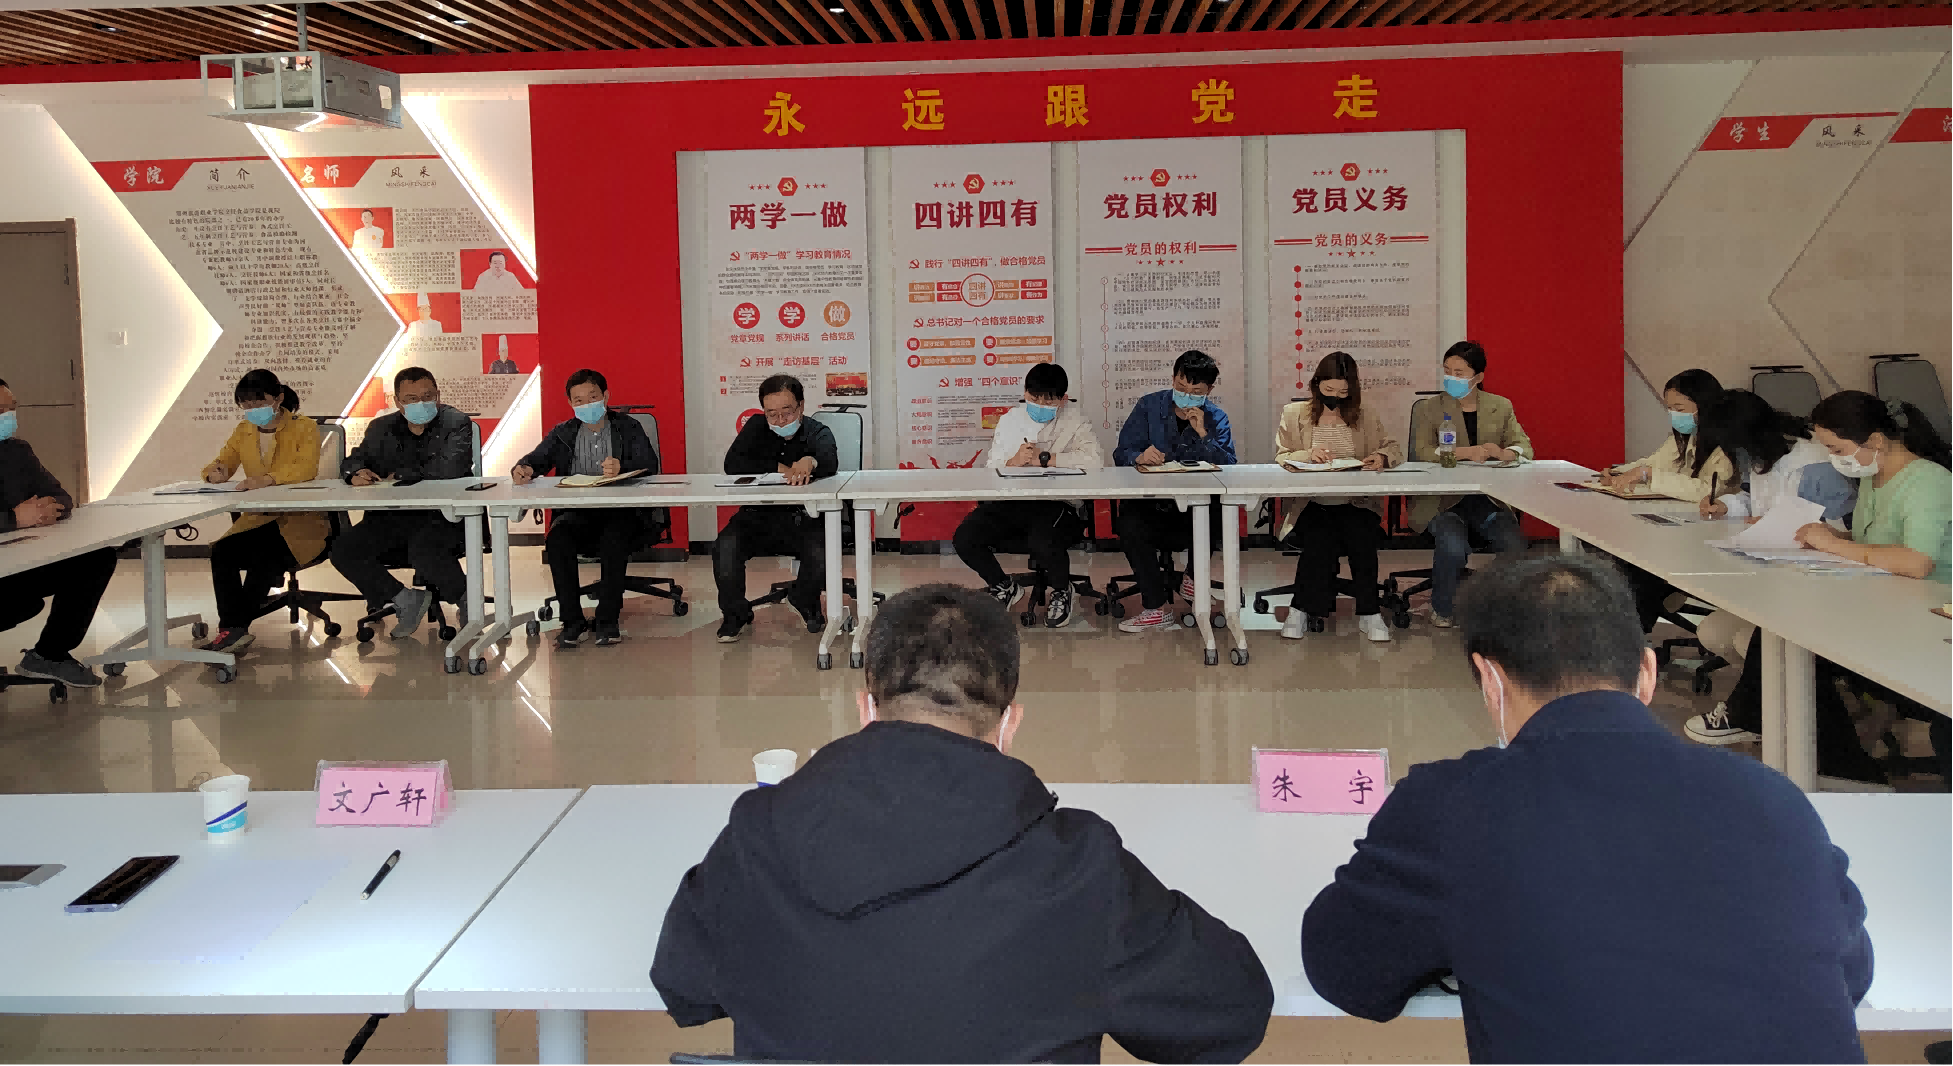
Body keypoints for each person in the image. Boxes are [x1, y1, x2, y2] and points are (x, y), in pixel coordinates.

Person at [651, 584, 1273, 1064]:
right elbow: (1230, 1010)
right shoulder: (1079, 869)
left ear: (866, 708)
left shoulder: (757, 834)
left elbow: (684, 982)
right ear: (1009, 724)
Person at [1301, 554, 1873, 1064]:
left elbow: (1345, 970)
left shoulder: (1454, 804)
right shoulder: (1771, 796)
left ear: (1490, 679)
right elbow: (1851, 972)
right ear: (1646, 672)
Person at [1687, 392, 1950, 781]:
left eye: (1836, 449)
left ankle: (1840, 767)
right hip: (1882, 600)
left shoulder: (1928, 481)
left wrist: (1838, 545)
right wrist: (1830, 536)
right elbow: (1873, 542)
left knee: (1797, 647)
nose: (1832, 458)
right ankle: (1834, 761)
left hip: (1925, 615)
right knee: (1784, 635)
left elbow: (1916, 561)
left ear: (1875, 441)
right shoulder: (1877, 477)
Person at [1622, 387, 1851, 633]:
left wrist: (1780, 524)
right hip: (1765, 565)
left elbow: (1841, 529)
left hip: (1808, 581)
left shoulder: (1815, 465)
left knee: (1725, 633)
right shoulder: (1762, 454)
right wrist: (1726, 505)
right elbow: (1750, 496)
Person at [512, 369, 659, 648]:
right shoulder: (563, 433)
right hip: (577, 513)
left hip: (621, 511)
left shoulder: (628, 427)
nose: (587, 405)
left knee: (614, 538)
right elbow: (537, 459)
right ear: (570, 403)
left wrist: (623, 467)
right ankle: (572, 622)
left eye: (593, 397)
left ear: (606, 396)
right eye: (579, 400)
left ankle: (607, 620)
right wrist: (524, 468)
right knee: (558, 539)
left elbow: (650, 465)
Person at [329, 367, 477, 638]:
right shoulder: (381, 428)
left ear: (438, 395)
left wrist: (401, 474)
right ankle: (405, 599)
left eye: (427, 396)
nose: (421, 403)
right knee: (342, 549)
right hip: (392, 517)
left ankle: (467, 599)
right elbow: (353, 460)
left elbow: (450, 468)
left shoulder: (455, 422)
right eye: (411, 399)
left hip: (443, 515)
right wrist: (355, 473)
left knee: (423, 548)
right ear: (397, 402)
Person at [953, 362, 1103, 628]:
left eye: (1049, 400)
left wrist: (1046, 459)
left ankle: (1061, 589)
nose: (1041, 405)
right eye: (1035, 398)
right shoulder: (1010, 419)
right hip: (1012, 501)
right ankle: (1003, 585)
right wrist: (1013, 462)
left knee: (1043, 537)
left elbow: (1095, 461)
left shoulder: (1076, 420)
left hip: (1058, 503)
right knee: (965, 537)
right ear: (1025, 393)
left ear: (1063, 399)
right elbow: (991, 467)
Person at [195, 370, 329, 655]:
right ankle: (233, 630)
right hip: (258, 520)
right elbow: (223, 461)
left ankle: (233, 630)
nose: (252, 409)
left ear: (278, 399)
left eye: (259, 403)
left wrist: (267, 479)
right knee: (222, 551)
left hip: (300, 522)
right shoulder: (244, 431)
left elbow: (306, 469)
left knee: (265, 555)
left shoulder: (303, 427)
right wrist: (214, 473)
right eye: (246, 405)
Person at [1273, 352, 1404, 642]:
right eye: (1329, 389)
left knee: (1361, 538)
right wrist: (1307, 455)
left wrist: (1382, 456)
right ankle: (1300, 610)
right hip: (1311, 503)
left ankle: (1369, 613)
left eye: (1342, 392)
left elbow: (1393, 447)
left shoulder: (1365, 414)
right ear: (1316, 384)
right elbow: (1282, 455)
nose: (1334, 397)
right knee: (1320, 539)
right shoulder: (1294, 414)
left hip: (1356, 502)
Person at [1409, 340, 1533, 627]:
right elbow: (1423, 452)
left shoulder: (1500, 406)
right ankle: (1442, 609)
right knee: (1453, 546)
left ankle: (1503, 610)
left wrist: (1503, 453)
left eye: (1459, 373)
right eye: (1447, 371)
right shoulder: (1430, 408)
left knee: (1513, 545)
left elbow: (1525, 447)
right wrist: (1465, 453)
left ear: (1478, 377)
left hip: (1487, 498)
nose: (1451, 378)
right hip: (1443, 500)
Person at [1112, 350, 1236, 633]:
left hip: (1195, 508)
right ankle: (1155, 607)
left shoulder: (1216, 417)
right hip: (1152, 505)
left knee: (1217, 509)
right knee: (1129, 519)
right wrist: (1139, 456)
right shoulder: (1148, 406)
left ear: (1209, 390)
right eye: (1181, 387)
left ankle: (1192, 578)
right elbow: (1121, 452)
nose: (1187, 396)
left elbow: (1228, 465)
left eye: (1196, 392)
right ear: (1173, 379)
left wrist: (1203, 434)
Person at [0, 378, 113, 689]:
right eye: (0, 411)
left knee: (96, 558)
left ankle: (49, 655)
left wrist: (48, 510)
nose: (9, 417)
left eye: (11, 409)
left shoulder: (17, 451)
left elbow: (62, 496)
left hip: (17, 563)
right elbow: (16, 518)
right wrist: (14, 519)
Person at [713, 375, 837, 644]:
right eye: (772, 414)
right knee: (726, 546)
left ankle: (804, 598)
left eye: (787, 412)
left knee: (823, 547)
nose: (780, 420)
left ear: (801, 406)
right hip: (757, 516)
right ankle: (735, 614)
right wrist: (780, 468)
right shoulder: (756, 427)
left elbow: (830, 461)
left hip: (802, 518)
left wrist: (810, 460)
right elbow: (733, 464)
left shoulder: (817, 431)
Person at [1599, 368, 1730, 499]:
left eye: (1679, 409)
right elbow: (1655, 463)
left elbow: (1708, 491)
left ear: (1705, 406)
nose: (1674, 415)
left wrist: (1647, 473)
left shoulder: (1728, 443)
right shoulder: (1684, 437)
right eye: (1670, 409)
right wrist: (1617, 474)